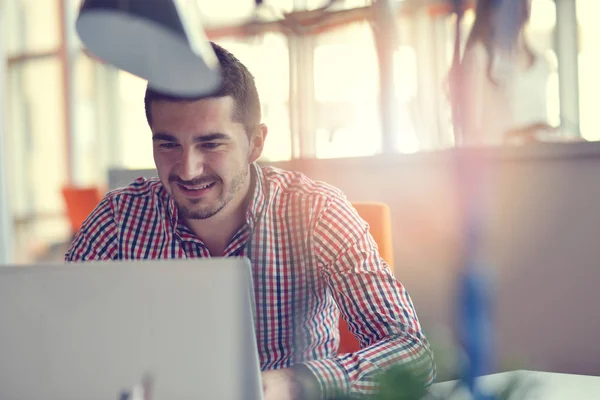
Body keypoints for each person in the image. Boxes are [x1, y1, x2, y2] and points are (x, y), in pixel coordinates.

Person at [66, 42, 435, 399]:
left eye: (211, 144)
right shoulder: (117, 220)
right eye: (168, 145)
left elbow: (412, 355)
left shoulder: (317, 212)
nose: (188, 169)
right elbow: (60, 342)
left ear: (255, 143)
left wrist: (296, 384)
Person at [455, 0, 555, 146]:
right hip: (504, 162)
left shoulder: (540, 61)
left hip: (539, 159)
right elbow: (471, 133)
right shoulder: (479, 56)